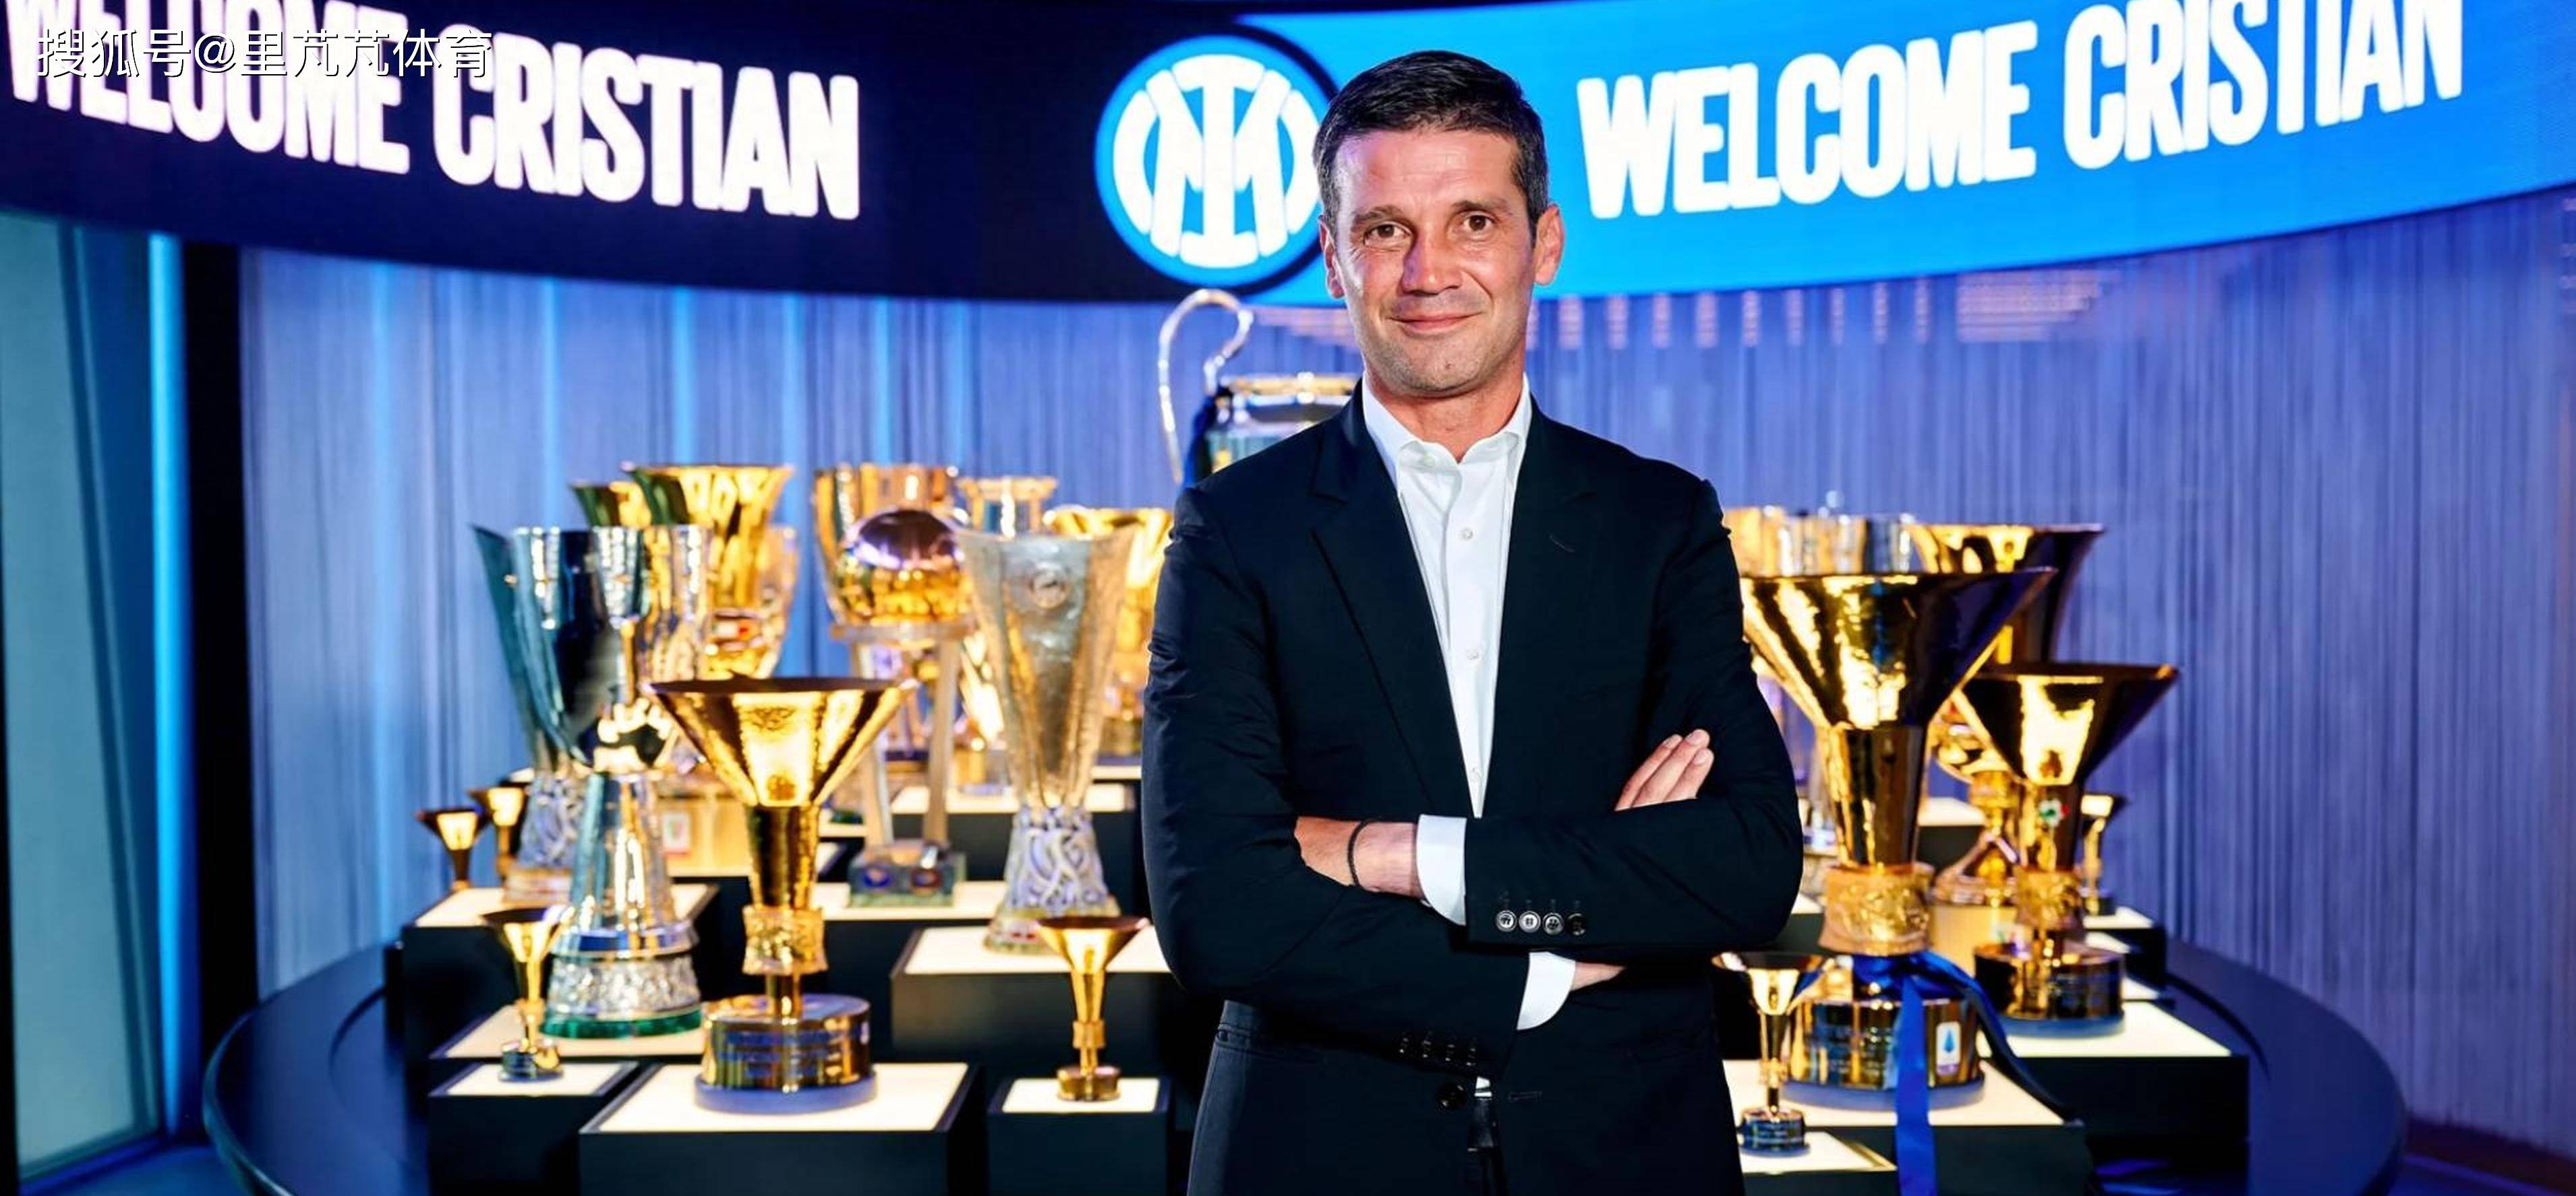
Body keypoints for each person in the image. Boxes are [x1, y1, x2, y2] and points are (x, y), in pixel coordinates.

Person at [1142, 49, 1801, 1195]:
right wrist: (1544, 961)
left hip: (1627, 1150)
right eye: (1385, 229)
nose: (1428, 270)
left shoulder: (1659, 522)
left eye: (1473, 221)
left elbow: (1742, 868)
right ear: (1334, 254)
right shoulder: (1235, 529)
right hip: (1321, 1156)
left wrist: (1394, 851)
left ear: (1543, 243)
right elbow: (1217, 908)